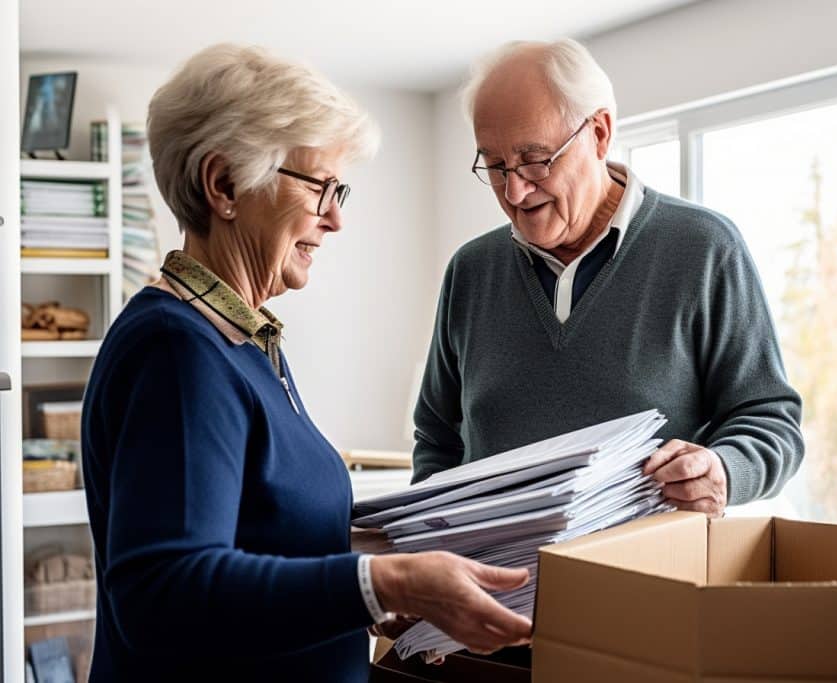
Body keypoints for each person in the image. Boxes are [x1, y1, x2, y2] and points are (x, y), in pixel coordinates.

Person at [81, 43, 530, 683]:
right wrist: (384, 583)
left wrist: (371, 577)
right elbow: (164, 591)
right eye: (320, 185)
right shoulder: (176, 350)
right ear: (224, 184)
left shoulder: (244, 340)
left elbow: (260, 536)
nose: (336, 218)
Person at [412, 39, 804, 516]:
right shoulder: (471, 272)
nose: (514, 189)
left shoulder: (703, 249)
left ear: (598, 134)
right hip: (495, 585)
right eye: (495, 165)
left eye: (535, 159)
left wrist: (724, 469)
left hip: (649, 579)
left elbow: (770, 420)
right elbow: (436, 438)